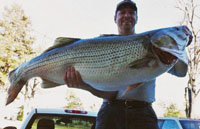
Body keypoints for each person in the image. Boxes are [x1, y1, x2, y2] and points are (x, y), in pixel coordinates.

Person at [63, 0, 188, 129]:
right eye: (122, 12)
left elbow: (181, 72)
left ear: (136, 18)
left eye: (131, 13)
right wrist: (83, 84)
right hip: (110, 111)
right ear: (115, 18)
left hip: (143, 114)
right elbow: (112, 94)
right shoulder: (101, 45)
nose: (127, 15)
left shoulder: (156, 47)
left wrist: (180, 44)